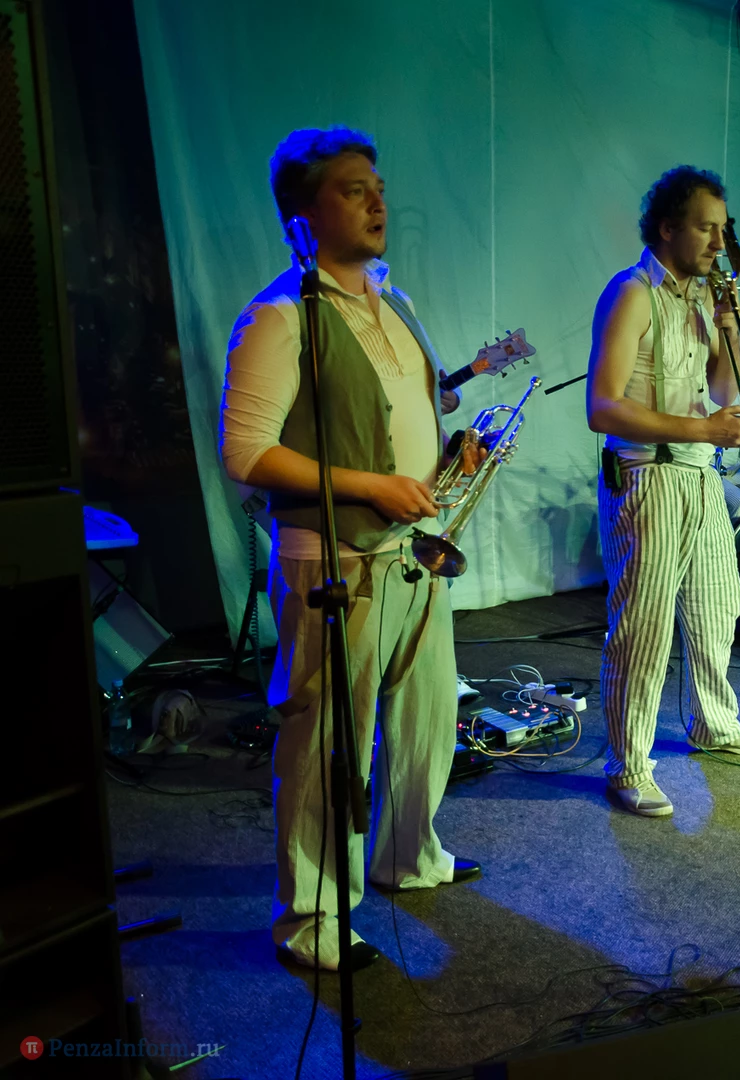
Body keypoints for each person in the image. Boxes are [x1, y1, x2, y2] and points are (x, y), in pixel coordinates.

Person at [219, 127, 481, 972]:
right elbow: (245, 453)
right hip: (333, 557)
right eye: (352, 189)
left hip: (413, 550)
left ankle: (408, 855)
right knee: (327, 740)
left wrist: (450, 453)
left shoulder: (392, 302)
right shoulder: (279, 315)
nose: (377, 202)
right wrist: (371, 485)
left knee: (426, 720)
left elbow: (399, 414)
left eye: (379, 187)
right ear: (303, 214)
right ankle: (311, 917)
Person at [586, 166, 740, 818]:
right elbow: (603, 407)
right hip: (648, 475)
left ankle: (712, 722)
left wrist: (729, 332)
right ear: (667, 227)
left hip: (699, 473)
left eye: (723, 229)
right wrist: (706, 429)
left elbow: (720, 391)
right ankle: (628, 765)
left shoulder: (698, 299)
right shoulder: (631, 293)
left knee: (719, 606)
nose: (719, 243)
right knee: (643, 629)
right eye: (706, 228)